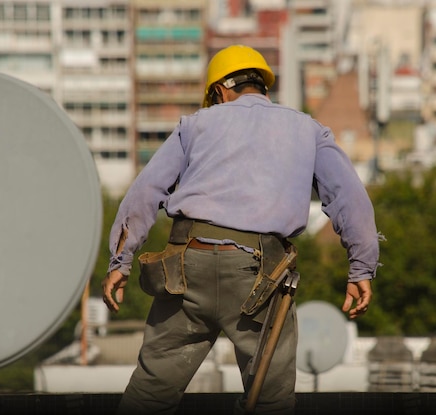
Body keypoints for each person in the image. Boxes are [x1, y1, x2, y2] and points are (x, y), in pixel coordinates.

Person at [102, 44, 380, 414]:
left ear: (218, 91)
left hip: (187, 268)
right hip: (258, 275)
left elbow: (145, 192)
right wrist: (361, 268)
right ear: (263, 87)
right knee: (269, 401)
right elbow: (350, 198)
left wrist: (120, 262)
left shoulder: (195, 125)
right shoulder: (307, 129)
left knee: (149, 395)